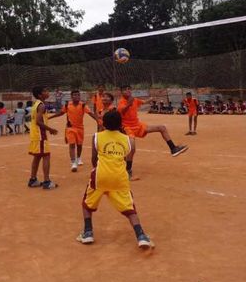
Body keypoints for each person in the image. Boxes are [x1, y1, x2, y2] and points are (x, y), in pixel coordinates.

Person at [76, 110, 153, 249]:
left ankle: (88, 232)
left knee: (87, 204)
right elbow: (126, 158)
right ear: (120, 124)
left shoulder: (96, 136)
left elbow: (94, 158)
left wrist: (97, 168)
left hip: (100, 176)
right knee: (130, 209)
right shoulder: (128, 140)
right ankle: (141, 236)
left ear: (103, 123)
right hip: (119, 177)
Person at [118, 84, 187, 180]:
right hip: (127, 128)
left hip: (138, 126)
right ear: (121, 92)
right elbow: (122, 111)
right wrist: (129, 104)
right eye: (125, 90)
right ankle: (128, 171)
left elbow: (143, 102)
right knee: (132, 148)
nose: (128, 91)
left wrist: (150, 99)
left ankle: (173, 149)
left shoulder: (135, 100)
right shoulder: (121, 102)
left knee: (162, 127)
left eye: (129, 89)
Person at [49, 89, 98, 172]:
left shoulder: (83, 105)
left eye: (78, 95)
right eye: (75, 95)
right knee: (72, 144)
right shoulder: (67, 105)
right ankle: (73, 163)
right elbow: (61, 113)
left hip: (80, 128)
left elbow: (90, 114)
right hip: (70, 128)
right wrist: (50, 117)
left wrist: (98, 120)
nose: (76, 96)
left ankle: (78, 158)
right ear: (71, 96)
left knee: (79, 145)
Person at [28, 86, 59, 189]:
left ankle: (33, 180)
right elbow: (38, 121)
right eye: (45, 91)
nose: (48, 92)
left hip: (35, 134)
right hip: (40, 135)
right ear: (40, 94)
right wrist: (51, 129)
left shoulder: (35, 104)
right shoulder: (41, 106)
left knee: (37, 156)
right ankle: (46, 181)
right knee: (46, 156)